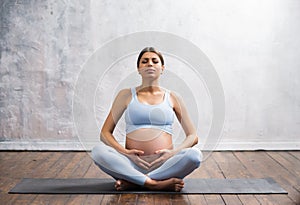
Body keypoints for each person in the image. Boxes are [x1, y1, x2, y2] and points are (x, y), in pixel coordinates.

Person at [92, 47, 202, 192]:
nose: (150, 64)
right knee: (98, 151)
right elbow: (105, 133)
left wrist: (172, 154)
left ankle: (135, 181)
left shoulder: (173, 97)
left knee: (194, 156)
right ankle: (154, 184)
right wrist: (125, 153)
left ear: (162, 68)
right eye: (145, 61)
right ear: (138, 68)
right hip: (131, 163)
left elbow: (193, 136)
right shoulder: (125, 95)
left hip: (165, 164)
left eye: (154, 61)